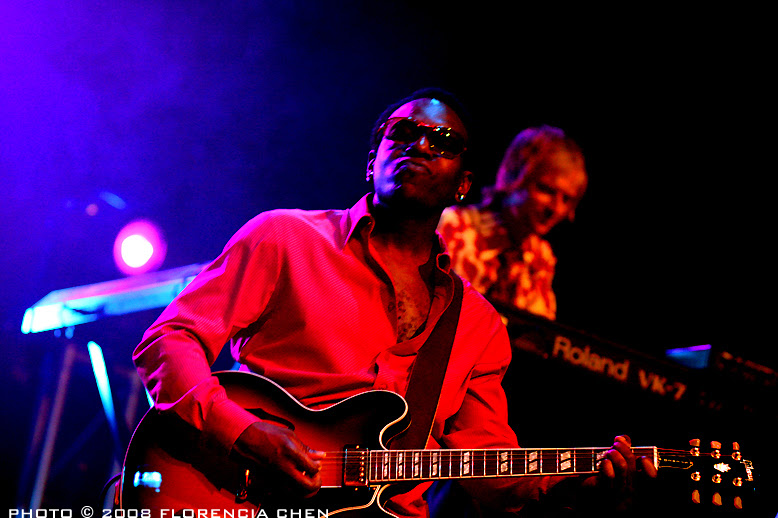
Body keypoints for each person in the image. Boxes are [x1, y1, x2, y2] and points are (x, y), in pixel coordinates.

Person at [132, 88, 653, 516]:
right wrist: (242, 431)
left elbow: (491, 467)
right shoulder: (285, 238)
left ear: (464, 184)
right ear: (372, 161)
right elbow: (169, 340)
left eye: (443, 141)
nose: (420, 145)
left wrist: (577, 485)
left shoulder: (479, 325)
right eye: (402, 133)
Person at [438, 125, 588, 320]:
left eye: (567, 199)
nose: (556, 208)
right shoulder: (455, 226)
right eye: (546, 190)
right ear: (514, 175)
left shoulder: (541, 257)